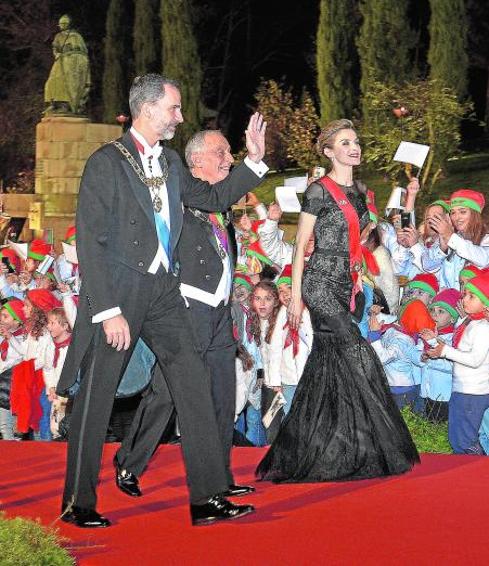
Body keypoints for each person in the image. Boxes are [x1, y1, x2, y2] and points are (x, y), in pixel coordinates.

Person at [55, 73, 267, 528]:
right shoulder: (106, 162)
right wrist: (108, 309)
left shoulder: (170, 161)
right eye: (174, 108)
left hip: (163, 292)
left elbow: (212, 197)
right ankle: (78, 502)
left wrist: (254, 162)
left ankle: (207, 497)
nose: (180, 116)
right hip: (120, 291)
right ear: (147, 109)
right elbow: (90, 240)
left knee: (190, 383)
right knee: (97, 396)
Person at [256, 118, 419, 483]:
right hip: (318, 285)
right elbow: (300, 246)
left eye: (355, 141)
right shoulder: (319, 190)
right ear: (329, 151)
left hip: (346, 285)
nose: (354, 147)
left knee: (328, 368)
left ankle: (328, 450)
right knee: (358, 353)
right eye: (345, 143)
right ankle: (379, 443)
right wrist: (296, 298)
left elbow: (361, 241)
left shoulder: (361, 191)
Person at [114, 130, 254, 498]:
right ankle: (129, 461)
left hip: (220, 314)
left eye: (228, 152)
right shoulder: (174, 195)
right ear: (196, 161)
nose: (228, 159)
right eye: (219, 152)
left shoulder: (220, 205)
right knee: (167, 395)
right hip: (185, 310)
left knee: (224, 396)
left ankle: (218, 477)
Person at [427, 273, 489, 454]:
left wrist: (444, 351)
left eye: (471, 296)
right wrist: (435, 342)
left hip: (473, 392)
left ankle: (474, 472)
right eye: (465, 293)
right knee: (458, 437)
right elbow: (457, 348)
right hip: (463, 389)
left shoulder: (483, 328)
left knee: (464, 440)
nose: (464, 298)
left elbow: (474, 360)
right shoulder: (469, 321)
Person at [44, 14, 91, 115]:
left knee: (70, 83)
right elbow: (55, 48)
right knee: (51, 81)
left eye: (63, 24)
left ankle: (66, 105)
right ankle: (54, 104)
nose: (61, 26)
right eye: (60, 24)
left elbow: (83, 50)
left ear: (67, 24)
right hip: (61, 61)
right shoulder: (58, 36)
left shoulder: (77, 36)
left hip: (74, 63)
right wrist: (57, 54)